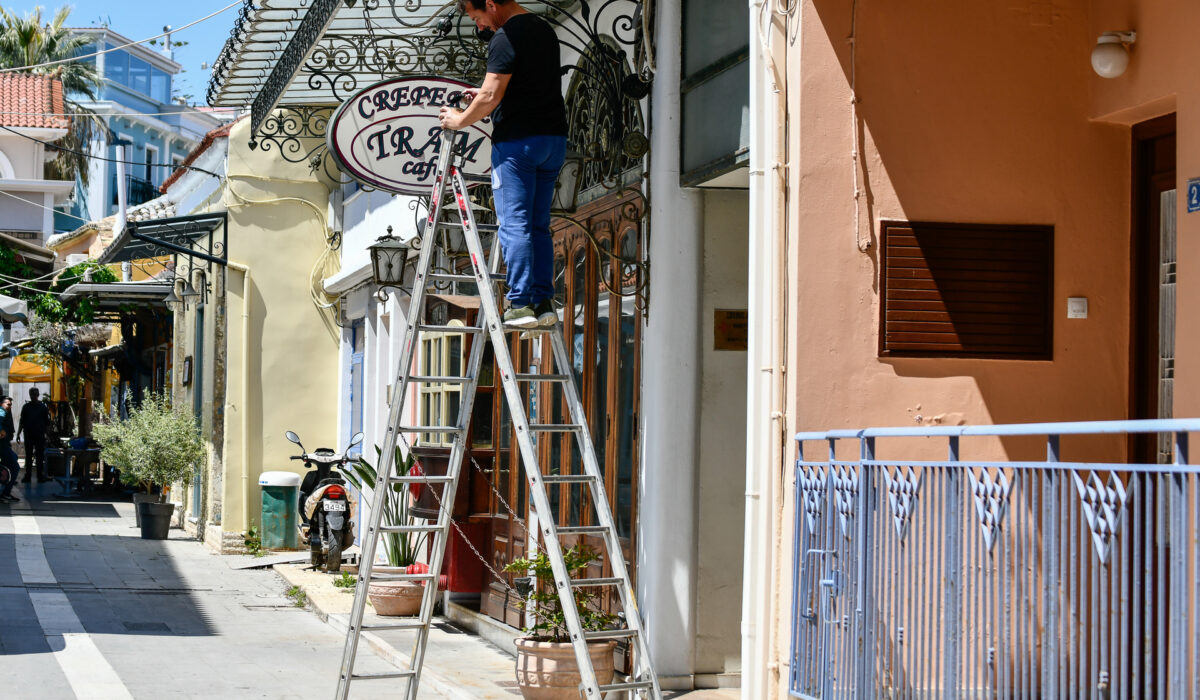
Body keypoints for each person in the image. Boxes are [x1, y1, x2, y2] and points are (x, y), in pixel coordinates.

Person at [439, 0, 568, 329]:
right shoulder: (543, 30)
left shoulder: (506, 36)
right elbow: (517, 86)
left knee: (515, 224)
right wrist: (482, 94)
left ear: (491, 4)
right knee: (538, 225)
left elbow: (492, 95)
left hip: (518, 145)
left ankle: (520, 304)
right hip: (553, 141)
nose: (479, 25)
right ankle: (542, 301)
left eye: (477, 16)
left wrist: (459, 120)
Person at [16, 387, 50, 483]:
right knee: (28, 455)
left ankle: (40, 476)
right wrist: (18, 433)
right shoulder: (26, 407)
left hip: (39, 435)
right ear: (30, 395)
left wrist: (47, 435)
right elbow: (22, 421)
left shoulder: (43, 407)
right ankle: (28, 476)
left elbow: (47, 423)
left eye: (35, 394)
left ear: (38, 395)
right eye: (31, 394)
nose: (33, 396)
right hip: (29, 435)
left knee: (40, 456)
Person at [0, 396, 20, 502]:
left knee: (12, 462)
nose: (10, 406)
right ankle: (5, 492)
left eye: (11, 405)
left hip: (5, 446)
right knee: (15, 467)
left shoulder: (5, 411)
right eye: (8, 404)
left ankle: (6, 492)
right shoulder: (1, 411)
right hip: (2, 447)